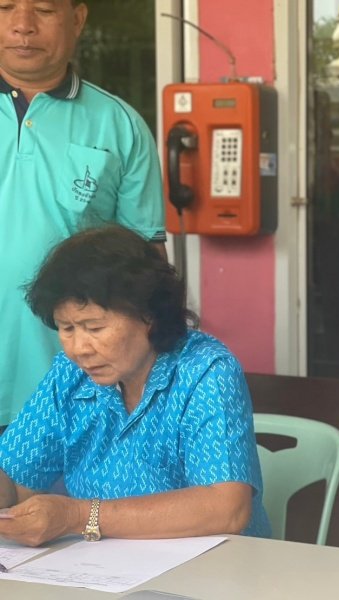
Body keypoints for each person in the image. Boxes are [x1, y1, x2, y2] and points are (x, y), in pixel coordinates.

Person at [0, 225, 269, 546]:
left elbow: (227, 508)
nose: (79, 348)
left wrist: (78, 515)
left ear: (149, 315)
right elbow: (16, 483)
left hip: (212, 565)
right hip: (100, 567)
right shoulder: (69, 375)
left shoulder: (205, 371)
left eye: (94, 328)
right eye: (67, 328)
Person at [0, 0, 165, 427]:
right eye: (4, 7)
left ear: (77, 19)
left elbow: (147, 272)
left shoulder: (120, 126)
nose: (22, 25)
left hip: (76, 391)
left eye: (43, 10)